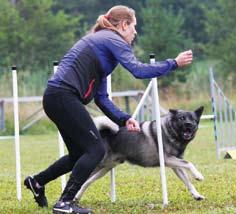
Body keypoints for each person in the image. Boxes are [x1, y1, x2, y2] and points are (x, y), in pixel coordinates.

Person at [24, 5, 193, 214]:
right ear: (123, 25)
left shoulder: (103, 45)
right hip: (63, 96)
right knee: (96, 150)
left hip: (56, 97)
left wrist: (123, 119)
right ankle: (65, 203)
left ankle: (38, 182)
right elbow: (138, 70)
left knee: (79, 153)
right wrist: (173, 63)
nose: (135, 32)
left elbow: (101, 97)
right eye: (134, 27)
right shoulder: (112, 40)